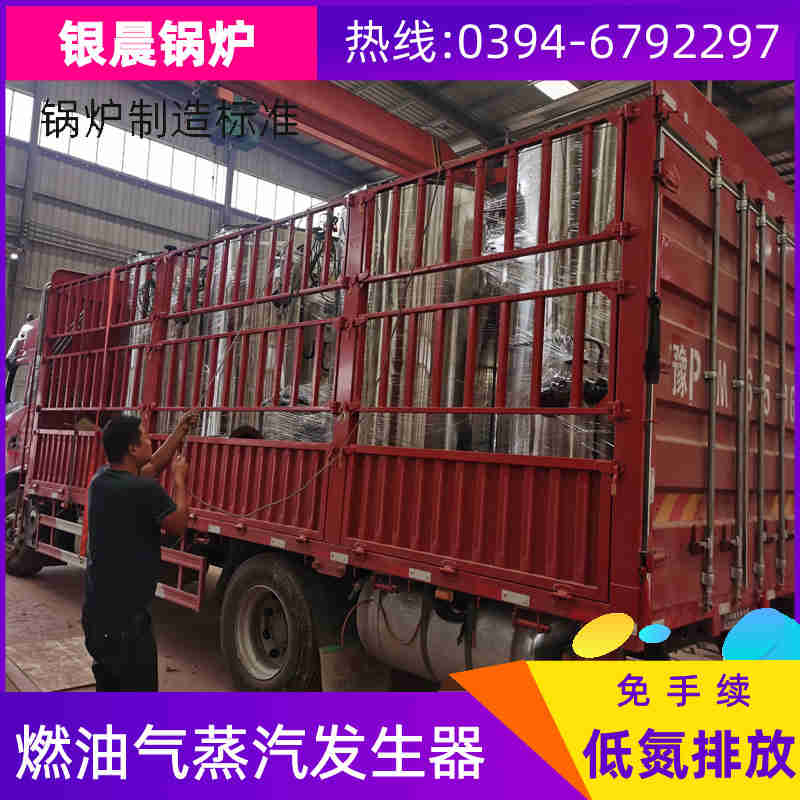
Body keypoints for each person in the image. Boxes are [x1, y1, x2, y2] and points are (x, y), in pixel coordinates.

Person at [81, 409, 198, 691]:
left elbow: (152, 465)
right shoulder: (144, 490)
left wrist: (180, 430)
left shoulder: (102, 480)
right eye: (145, 438)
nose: (150, 442)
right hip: (127, 626)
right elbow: (178, 525)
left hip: (97, 617)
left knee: (109, 689)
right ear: (132, 449)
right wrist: (180, 480)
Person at [5, 313, 35, 404]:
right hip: (19, 356)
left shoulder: (27, 328)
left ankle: (6, 398)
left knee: (12, 374)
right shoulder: (28, 328)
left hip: (18, 356)